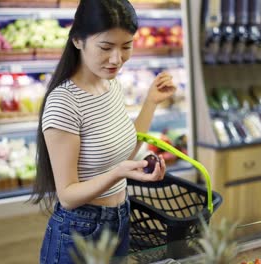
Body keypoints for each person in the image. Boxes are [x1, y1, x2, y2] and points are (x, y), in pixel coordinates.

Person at [30, 0, 177, 263]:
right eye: (106, 47)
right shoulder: (64, 102)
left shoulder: (110, 84)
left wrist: (151, 102)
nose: (117, 59)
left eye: (126, 46)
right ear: (78, 40)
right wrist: (120, 172)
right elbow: (68, 195)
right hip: (80, 231)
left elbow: (123, 149)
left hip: (119, 219)